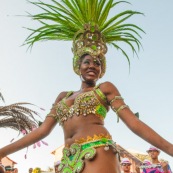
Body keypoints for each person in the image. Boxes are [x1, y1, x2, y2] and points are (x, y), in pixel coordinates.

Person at [0, 0, 173, 173]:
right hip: (68, 160)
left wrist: (170, 149)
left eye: (97, 63)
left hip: (98, 151)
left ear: (101, 69)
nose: (92, 66)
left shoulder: (105, 89)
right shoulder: (63, 96)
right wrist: (2, 152)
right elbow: (42, 131)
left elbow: (133, 123)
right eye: (87, 62)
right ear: (78, 66)